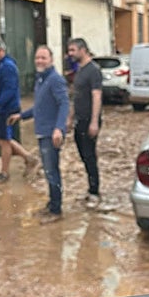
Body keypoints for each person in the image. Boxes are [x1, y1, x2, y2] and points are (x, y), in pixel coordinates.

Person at [21, 46, 69, 224]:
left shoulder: (55, 80)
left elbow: (64, 104)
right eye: (37, 58)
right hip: (42, 132)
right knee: (49, 172)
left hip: (51, 134)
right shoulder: (41, 80)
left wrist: (59, 128)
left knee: (52, 171)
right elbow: (39, 107)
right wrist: (21, 116)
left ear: (51, 60)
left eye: (43, 58)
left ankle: (56, 211)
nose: (40, 61)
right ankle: (52, 204)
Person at [0, 37, 37, 183]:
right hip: (7, 107)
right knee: (2, 139)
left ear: (2, 50)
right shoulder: (4, 65)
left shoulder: (7, 66)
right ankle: (28, 158)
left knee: (4, 140)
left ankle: (5, 172)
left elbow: (10, 89)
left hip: (8, 108)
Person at [66, 37, 103, 208]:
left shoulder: (93, 70)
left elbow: (97, 96)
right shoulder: (79, 70)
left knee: (89, 155)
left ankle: (95, 192)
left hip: (89, 119)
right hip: (79, 120)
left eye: (73, 50)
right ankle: (90, 189)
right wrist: (70, 118)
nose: (70, 53)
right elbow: (75, 96)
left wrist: (94, 122)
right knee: (83, 155)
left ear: (83, 50)